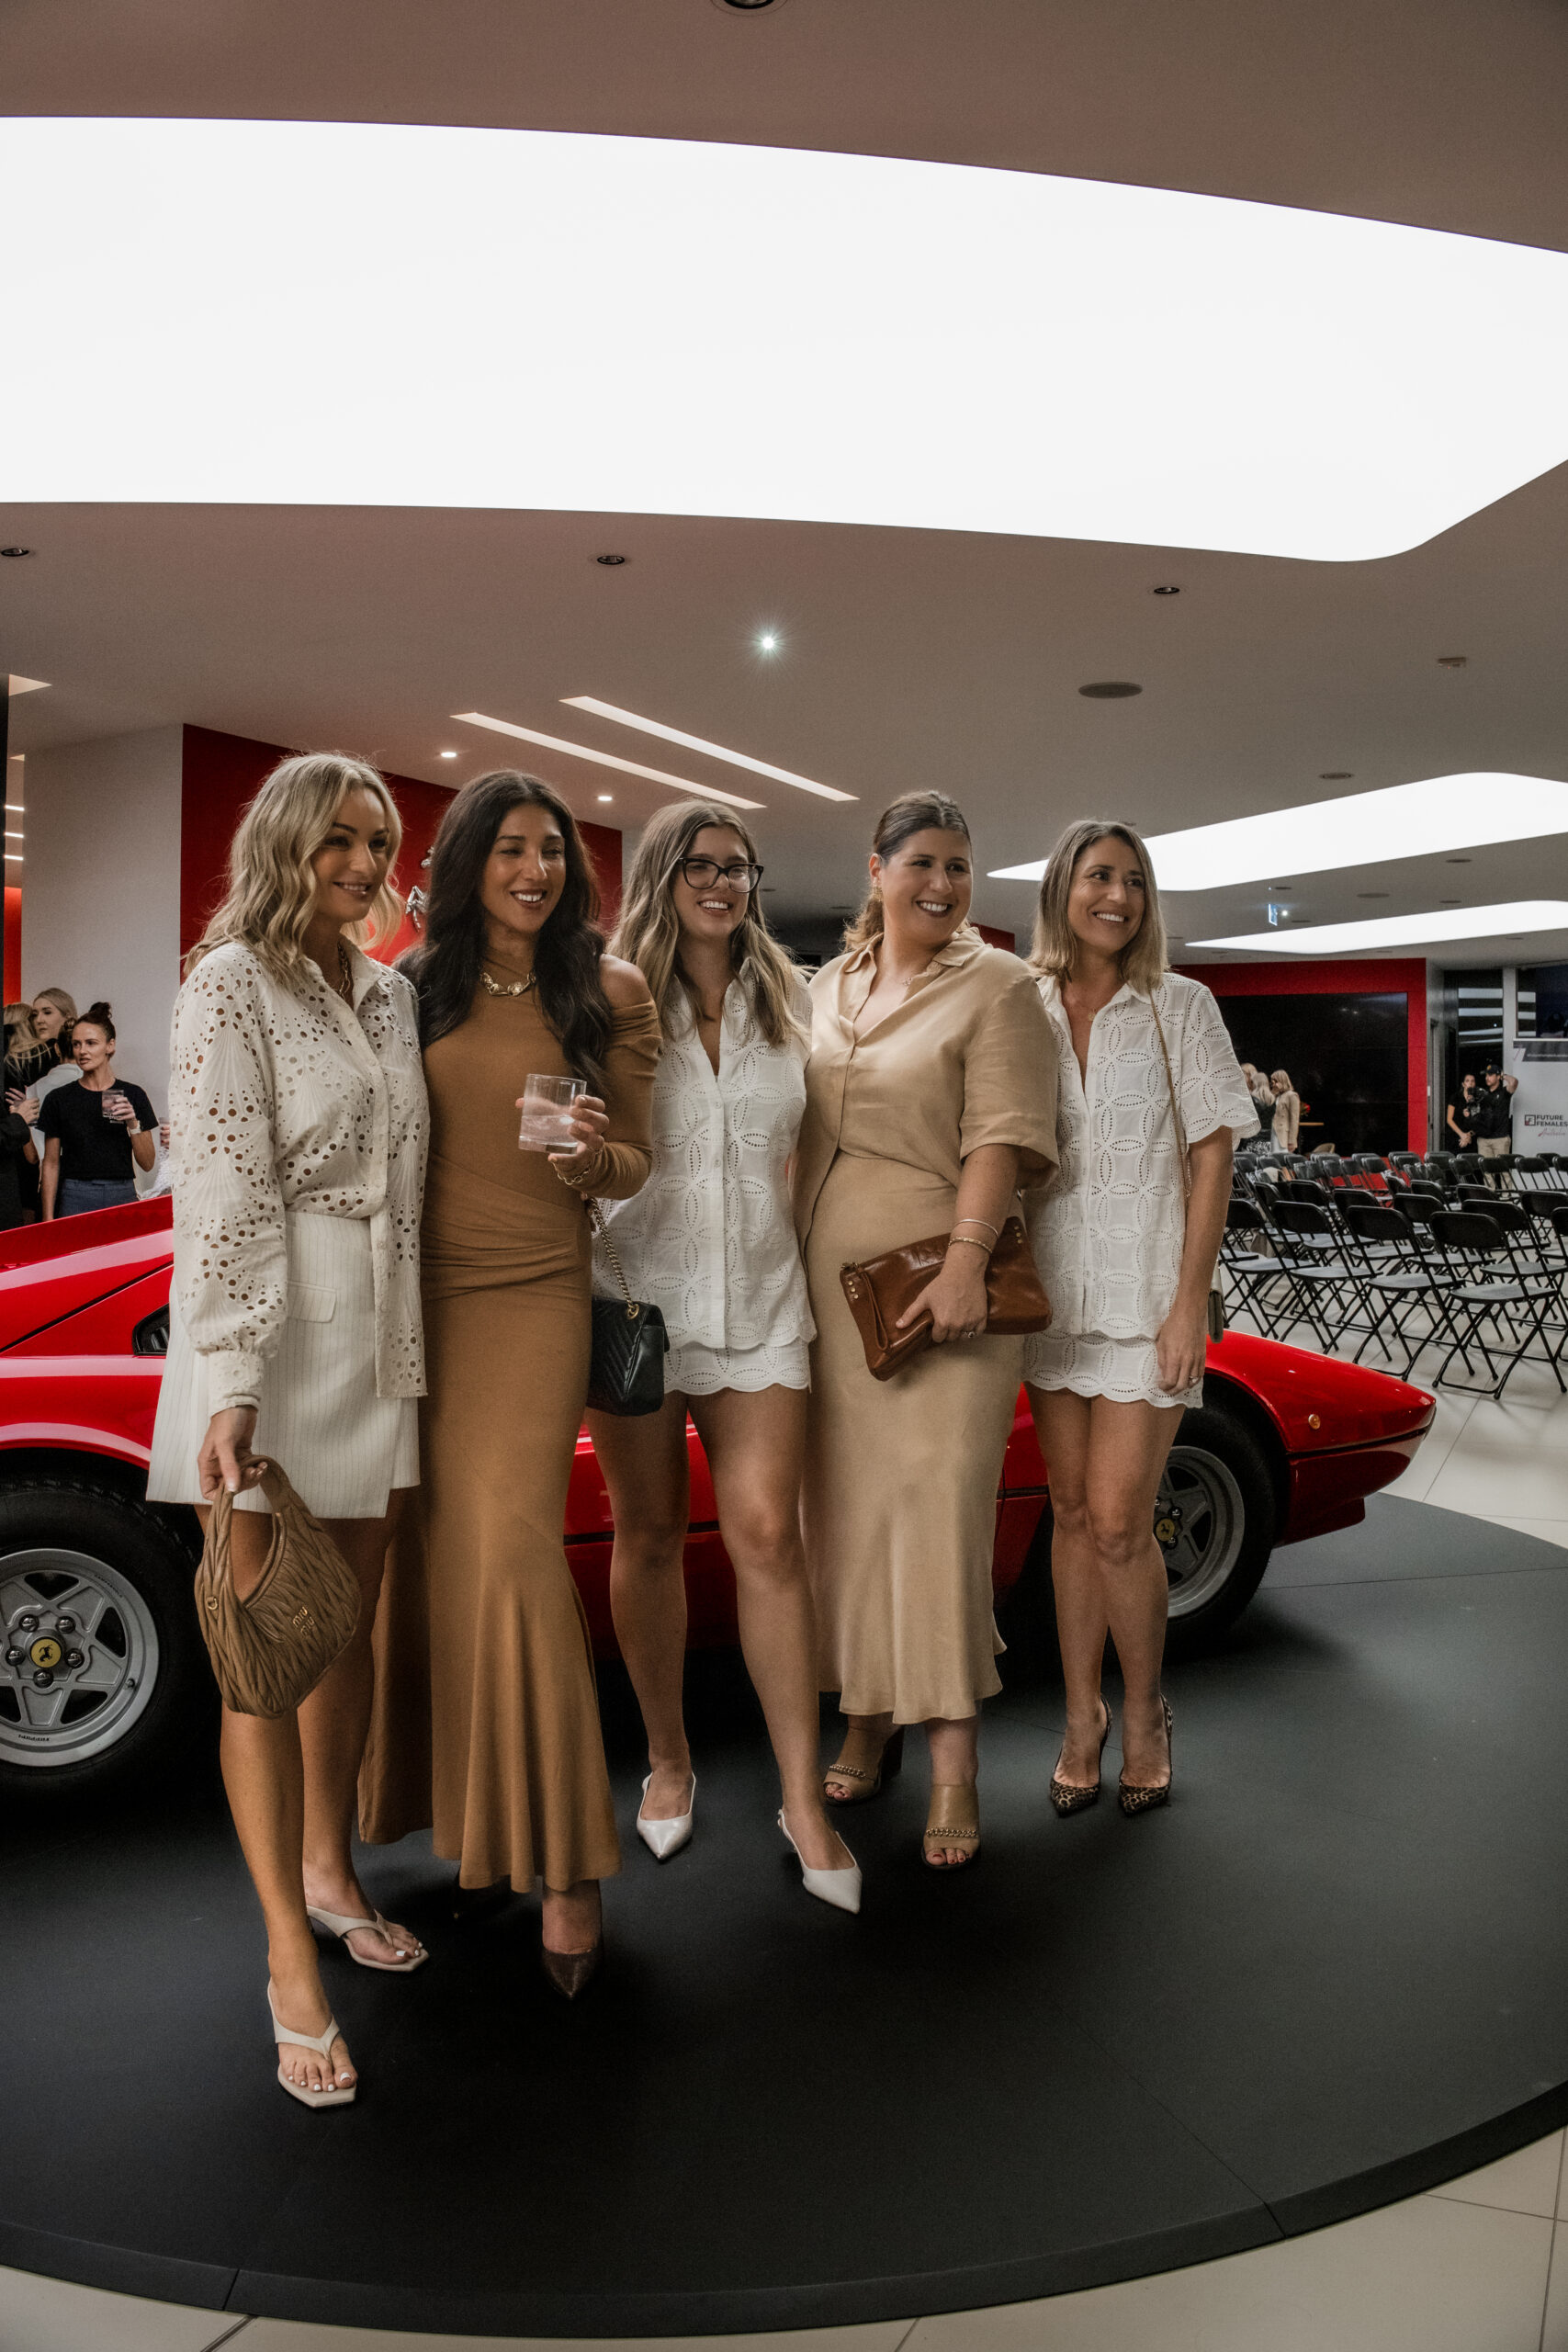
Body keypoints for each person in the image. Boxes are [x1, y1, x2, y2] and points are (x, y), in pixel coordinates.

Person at [146, 752, 430, 2109]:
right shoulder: (227, 983)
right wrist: (234, 1377)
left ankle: (329, 1871)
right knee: (263, 1660)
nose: (363, 865)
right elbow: (222, 1184)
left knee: (344, 1634)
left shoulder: (386, 991)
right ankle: (285, 1957)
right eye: (338, 840)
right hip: (266, 1342)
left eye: (377, 841)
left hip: (377, 1337)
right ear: (283, 843)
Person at [360, 771, 660, 1996]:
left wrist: (594, 1159)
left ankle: (570, 1864)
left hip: (536, 1292)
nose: (535, 871)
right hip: (411, 1301)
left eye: (552, 852)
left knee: (513, 1550)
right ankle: (476, 1823)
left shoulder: (608, 989)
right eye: (511, 850)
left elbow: (638, 1158)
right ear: (468, 863)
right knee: (432, 1560)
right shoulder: (408, 987)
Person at [587, 800, 858, 1911]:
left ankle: (802, 1796)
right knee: (649, 1533)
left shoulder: (789, 999)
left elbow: (826, 1144)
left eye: (739, 867)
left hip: (764, 1301)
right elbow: (567, 1134)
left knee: (769, 1538)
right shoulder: (606, 995)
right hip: (634, 1301)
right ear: (663, 876)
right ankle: (668, 1759)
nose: (723, 883)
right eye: (700, 865)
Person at [795, 791, 1057, 1870]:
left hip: (945, 1292)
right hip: (826, 1300)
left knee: (938, 1514)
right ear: (877, 869)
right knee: (846, 1517)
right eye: (923, 864)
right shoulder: (825, 985)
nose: (943, 884)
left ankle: (955, 1764)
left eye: (959, 865)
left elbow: (1003, 1134)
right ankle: (866, 1713)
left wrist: (962, 1261)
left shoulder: (1000, 986)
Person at [1021, 820, 1257, 1819]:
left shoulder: (1181, 1004)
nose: (1116, 896)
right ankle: (1083, 1717)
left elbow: (1213, 1156)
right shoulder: (1022, 1002)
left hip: (1147, 1297)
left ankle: (1147, 1711)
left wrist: (1187, 1303)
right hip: (1048, 1300)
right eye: (1097, 876)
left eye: (1132, 880)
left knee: (1121, 1519)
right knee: (1070, 1514)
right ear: (1062, 889)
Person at [38, 1002, 156, 1217]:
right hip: (75, 1193)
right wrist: (48, 1219)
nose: (82, 1051)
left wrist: (132, 1123)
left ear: (110, 1046)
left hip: (121, 1192)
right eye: (76, 1044)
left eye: (91, 1043)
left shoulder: (132, 1094)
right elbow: (51, 1163)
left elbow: (147, 1163)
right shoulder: (59, 1099)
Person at [1472, 1062, 1518, 1179]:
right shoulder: (1483, 1095)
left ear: (1498, 1076)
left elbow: (1514, 1082)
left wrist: (1503, 1076)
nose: (1487, 1078)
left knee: (1504, 1172)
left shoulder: (1504, 1092)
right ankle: (1489, 1191)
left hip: (1500, 1139)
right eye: (1486, 1075)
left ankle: (1505, 1192)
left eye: (1490, 1075)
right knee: (1487, 1173)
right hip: (1484, 1140)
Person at [1446, 1072, 1480, 1155]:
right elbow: (1449, 1119)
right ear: (1463, 1084)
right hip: (1456, 1136)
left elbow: (1480, 1122)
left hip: (1471, 1138)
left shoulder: (1478, 1099)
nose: (1470, 1083)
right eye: (1467, 1081)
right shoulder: (1455, 1097)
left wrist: (1468, 1136)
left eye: (1472, 1081)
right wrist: (1462, 1135)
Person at [1269, 1068, 1301, 1152]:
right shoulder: (1277, 1096)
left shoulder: (1292, 1095)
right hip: (1274, 1131)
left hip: (1284, 1134)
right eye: (1272, 1082)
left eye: (1275, 1081)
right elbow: (1267, 1107)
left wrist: (1292, 1141)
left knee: (1282, 1157)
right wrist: (1273, 1092)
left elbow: (1294, 1119)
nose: (1273, 1084)